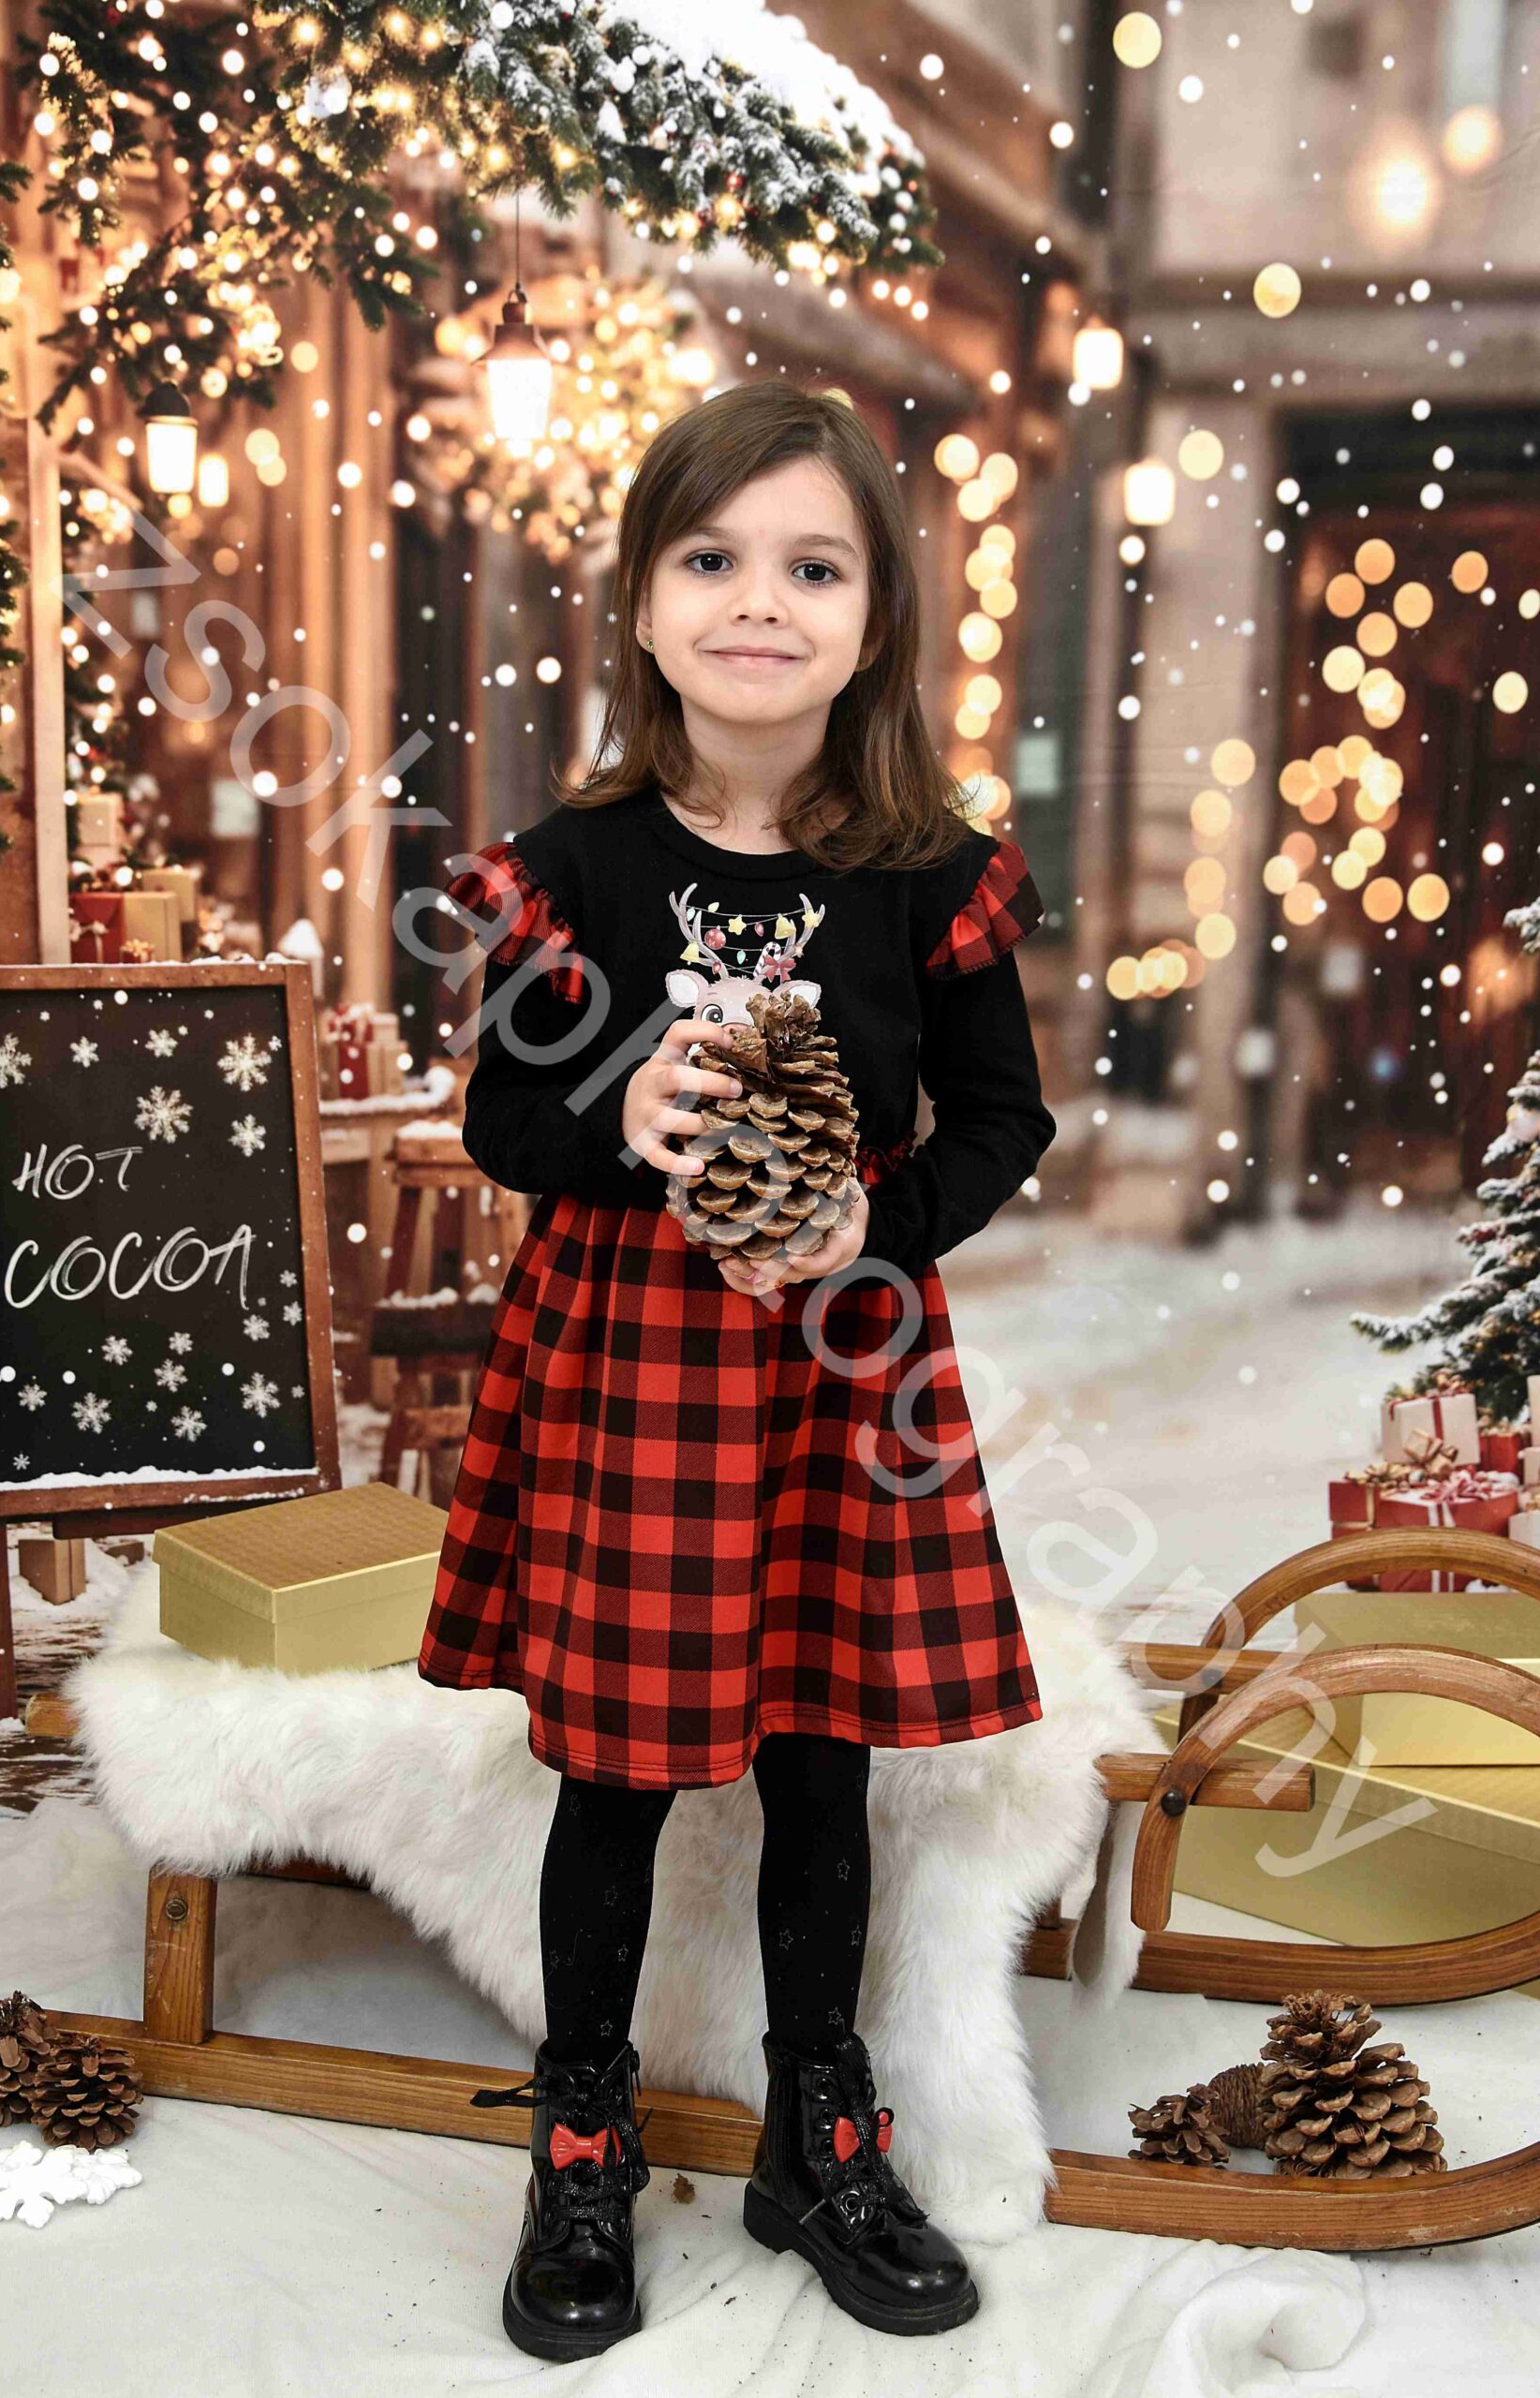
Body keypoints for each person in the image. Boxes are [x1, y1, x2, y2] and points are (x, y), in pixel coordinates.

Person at [418, 380, 1057, 2361]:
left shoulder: (925, 876)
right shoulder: (576, 869)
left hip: (839, 1366)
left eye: (812, 566)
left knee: (820, 1760)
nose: (758, 602)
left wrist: (878, 1218)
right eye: (711, 558)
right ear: (639, 602)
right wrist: (625, 1121)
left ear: (874, 620)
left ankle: (817, 2130)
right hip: (637, 1372)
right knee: (616, 1770)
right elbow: (501, 1121)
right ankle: (582, 2137)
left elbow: (1002, 1117)